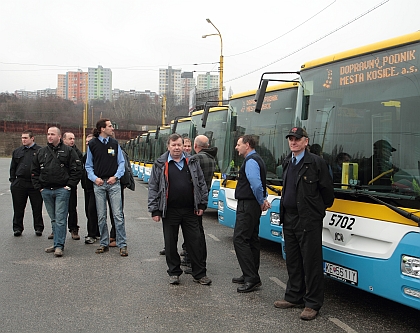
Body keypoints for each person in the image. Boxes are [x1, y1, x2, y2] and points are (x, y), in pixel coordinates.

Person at [274, 127, 334, 321]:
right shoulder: (287, 162)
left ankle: (312, 303)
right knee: (293, 260)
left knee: (311, 262)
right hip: (289, 218)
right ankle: (294, 297)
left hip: (308, 219)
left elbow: (327, 195)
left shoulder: (316, 163)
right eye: (291, 139)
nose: (293, 142)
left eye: (297, 139)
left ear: (306, 141)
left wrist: (315, 212)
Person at [148, 133, 211, 285]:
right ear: (168, 146)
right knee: (170, 243)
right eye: (173, 145)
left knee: (195, 243)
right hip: (169, 211)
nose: (177, 148)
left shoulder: (192, 161)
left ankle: (199, 274)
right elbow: (153, 187)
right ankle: (174, 272)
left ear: (184, 146)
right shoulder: (160, 164)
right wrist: (155, 210)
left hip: (191, 210)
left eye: (179, 145)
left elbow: (201, 184)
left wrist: (202, 204)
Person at [31, 127, 82, 257]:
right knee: (53, 219)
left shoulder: (69, 151)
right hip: (46, 190)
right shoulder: (41, 152)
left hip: (61, 190)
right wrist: (39, 187)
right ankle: (55, 243)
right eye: (48, 134)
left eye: (52, 134)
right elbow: (34, 171)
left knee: (60, 219)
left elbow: (76, 169)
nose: (49, 136)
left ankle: (59, 246)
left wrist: (69, 185)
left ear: (59, 136)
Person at [232, 135, 270, 293]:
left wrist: (262, 200)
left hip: (248, 205)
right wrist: (263, 198)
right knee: (252, 239)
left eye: (238, 144)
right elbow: (260, 183)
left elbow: (255, 183)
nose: (236, 147)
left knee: (240, 238)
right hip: (252, 204)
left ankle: (251, 278)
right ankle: (251, 273)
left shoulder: (251, 161)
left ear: (247, 145)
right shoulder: (257, 159)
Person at [85, 118, 128, 257]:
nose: (112, 128)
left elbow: (122, 163)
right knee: (101, 216)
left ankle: (122, 244)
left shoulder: (114, 144)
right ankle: (104, 243)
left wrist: (116, 177)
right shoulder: (92, 144)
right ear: (102, 129)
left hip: (113, 183)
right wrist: (94, 178)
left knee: (118, 215)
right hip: (99, 184)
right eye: (110, 126)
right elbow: (88, 165)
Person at [182, 134, 218, 274]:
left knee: (194, 234)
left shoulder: (195, 158)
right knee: (199, 231)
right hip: (203, 198)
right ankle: (199, 260)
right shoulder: (211, 159)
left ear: (195, 146)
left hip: (193, 200)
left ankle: (194, 261)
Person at [9, 130, 44, 237]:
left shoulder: (40, 151)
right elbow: (13, 167)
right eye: (22, 138)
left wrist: (41, 182)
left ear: (32, 138)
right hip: (20, 183)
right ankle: (17, 228)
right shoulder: (17, 151)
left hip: (34, 183)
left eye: (26, 138)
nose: (23, 140)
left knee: (37, 207)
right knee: (18, 207)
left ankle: (38, 227)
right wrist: (13, 180)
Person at [62, 132, 83, 240]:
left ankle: (74, 229)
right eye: (70, 138)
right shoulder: (57, 150)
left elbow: (79, 170)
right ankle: (56, 230)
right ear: (64, 139)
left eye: (73, 138)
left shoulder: (77, 153)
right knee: (58, 209)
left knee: (72, 208)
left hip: (71, 185)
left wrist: (72, 183)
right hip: (58, 184)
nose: (72, 140)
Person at [81, 134, 100, 244]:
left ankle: (92, 234)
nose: (87, 143)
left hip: (95, 185)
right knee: (89, 211)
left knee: (92, 210)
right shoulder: (86, 155)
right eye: (86, 141)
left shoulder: (96, 154)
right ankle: (96, 232)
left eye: (89, 141)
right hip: (86, 187)